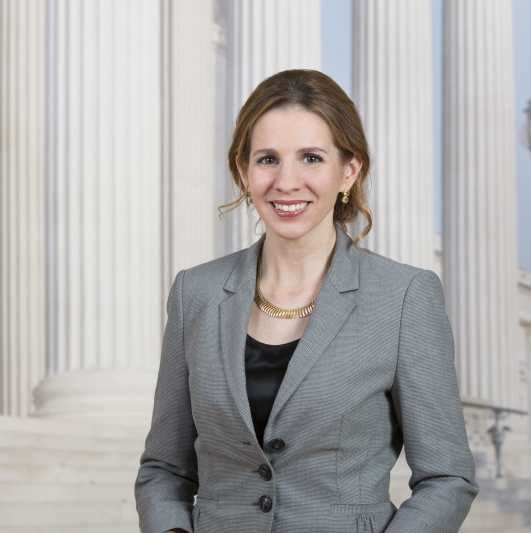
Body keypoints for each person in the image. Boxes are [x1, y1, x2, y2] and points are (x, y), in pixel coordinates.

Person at [135, 69, 477, 533]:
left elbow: (447, 477)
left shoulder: (404, 296)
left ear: (349, 171)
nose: (287, 181)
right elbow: (164, 470)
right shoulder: (194, 293)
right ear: (243, 171)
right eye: (268, 159)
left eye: (311, 158)